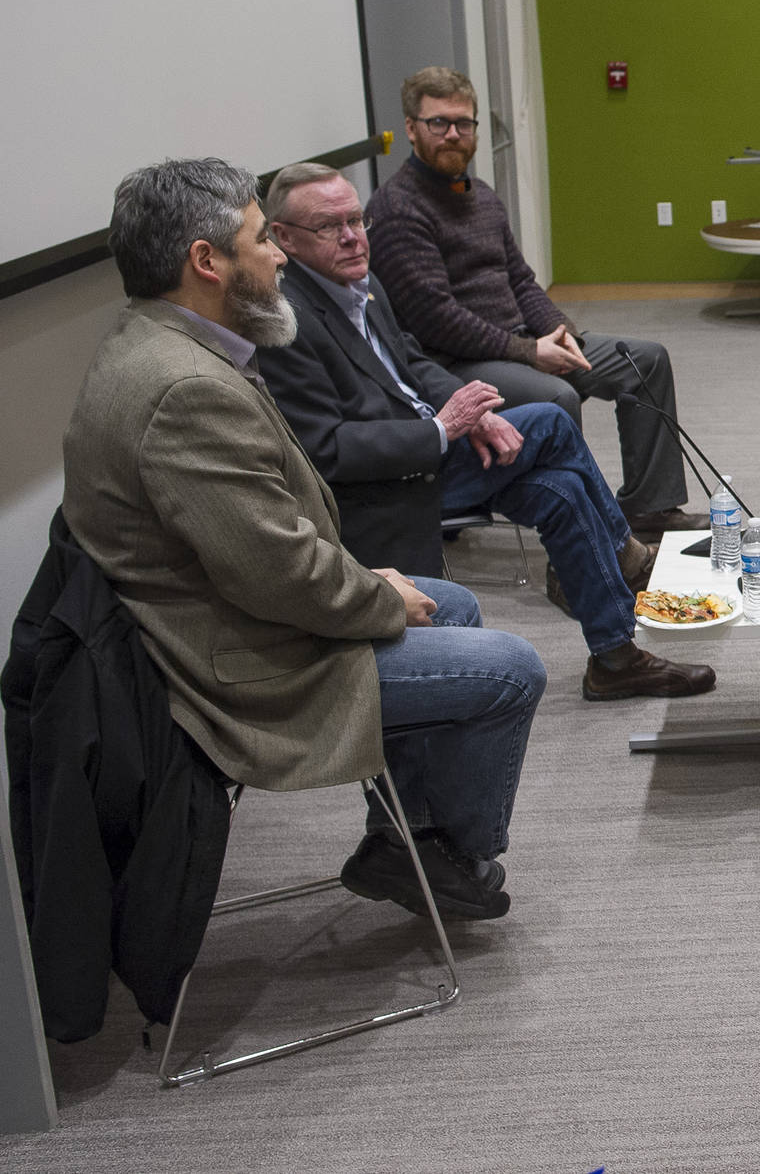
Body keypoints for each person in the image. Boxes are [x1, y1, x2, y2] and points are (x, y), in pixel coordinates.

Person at [65, 158, 549, 922]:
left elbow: (257, 540)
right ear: (207, 262)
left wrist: (371, 581)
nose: (281, 256)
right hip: (235, 667)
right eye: (264, 239)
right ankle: (453, 852)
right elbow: (277, 574)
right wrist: (373, 591)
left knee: (449, 602)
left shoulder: (159, 342)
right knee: (512, 670)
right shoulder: (186, 388)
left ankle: (410, 844)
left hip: (228, 614)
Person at [260, 164, 716, 703]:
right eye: (329, 226)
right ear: (283, 238)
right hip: (385, 484)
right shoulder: (285, 320)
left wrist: (470, 412)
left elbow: (409, 359)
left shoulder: (358, 278)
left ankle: (616, 658)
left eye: (356, 219)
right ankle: (626, 554)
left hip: (434, 448)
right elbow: (325, 451)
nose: (352, 236)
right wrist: (440, 428)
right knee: (548, 418)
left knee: (562, 491)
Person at [366, 66, 699, 544]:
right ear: (412, 128)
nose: (453, 135)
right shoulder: (398, 209)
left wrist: (561, 331)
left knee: (642, 360)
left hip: (519, 341)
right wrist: (530, 352)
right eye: (439, 123)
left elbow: (520, 278)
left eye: (464, 123)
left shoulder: (481, 196)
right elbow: (435, 320)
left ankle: (650, 509)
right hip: (457, 362)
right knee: (555, 396)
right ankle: (584, 538)